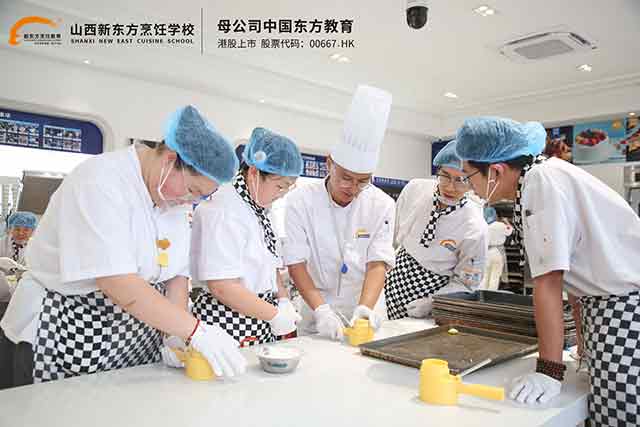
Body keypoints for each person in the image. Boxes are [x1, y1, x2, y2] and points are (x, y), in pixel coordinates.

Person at [0, 105, 246, 388]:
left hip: (130, 336)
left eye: (201, 197)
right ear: (170, 159)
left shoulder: (171, 201)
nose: (190, 202)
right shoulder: (100, 180)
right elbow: (117, 282)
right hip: (64, 326)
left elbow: (176, 275)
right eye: (192, 190)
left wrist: (175, 336)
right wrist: (195, 331)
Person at [455, 116, 640, 426]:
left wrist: (549, 370)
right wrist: (583, 346)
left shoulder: (540, 182)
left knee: (620, 414)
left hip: (626, 310)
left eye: (468, 176)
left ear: (496, 171)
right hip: (608, 306)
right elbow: (575, 277)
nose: (469, 186)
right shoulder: (543, 175)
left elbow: (549, 281)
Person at [283, 85, 396, 340]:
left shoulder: (382, 204)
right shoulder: (300, 201)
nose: (353, 188)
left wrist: (365, 308)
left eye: (363, 181)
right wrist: (321, 310)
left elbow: (378, 261)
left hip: (365, 307)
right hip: (318, 306)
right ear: (329, 164)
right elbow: (296, 263)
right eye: (346, 178)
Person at [187, 127, 303, 351]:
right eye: (279, 186)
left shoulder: (260, 208)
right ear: (254, 173)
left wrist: (283, 300)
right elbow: (222, 286)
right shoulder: (223, 209)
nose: (281, 195)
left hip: (260, 319)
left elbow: (270, 265)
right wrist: (275, 315)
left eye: (288, 188)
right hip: (225, 320)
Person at [385, 140, 488, 319]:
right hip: (389, 285)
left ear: (472, 182)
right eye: (445, 176)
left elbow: (467, 283)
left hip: (431, 298)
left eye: (461, 180)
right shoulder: (415, 189)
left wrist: (432, 302)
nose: (450, 187)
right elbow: (390, 236)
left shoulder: (475, 226)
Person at [0, 211, 37, 304]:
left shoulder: (36, 247)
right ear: (10, 229)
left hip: (24, 291)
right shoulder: (1, 243)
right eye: (17, 229)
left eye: (26, 229)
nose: (21, 233)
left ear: (32, 231)